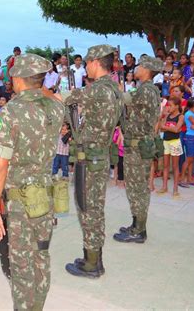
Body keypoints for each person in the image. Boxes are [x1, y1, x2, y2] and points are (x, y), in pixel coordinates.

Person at [0, 53, 64, 311]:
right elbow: (52, 97)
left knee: (21, 265)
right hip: (47, 194)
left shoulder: (11, 111)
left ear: (18, 78)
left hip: (20, 200)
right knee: (41, 255)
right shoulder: (56, 106)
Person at [63, 45, 123, 278]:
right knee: (94, 207)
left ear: (97, 62)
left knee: (88, 208)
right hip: (99, 156)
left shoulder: (97, 89)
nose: (85, 65)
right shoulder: (114, 88)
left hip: (89, 158)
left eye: (87, 62)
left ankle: (92, 264)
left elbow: (61, 98)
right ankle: (92, 257)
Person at [113, 56, 163, 243]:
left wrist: (117, 90)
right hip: (136, 146)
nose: (136, 68)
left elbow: (123, 99)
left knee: (137, 189)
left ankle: (139, 230)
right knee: (135, 188)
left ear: (148, 69)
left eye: (140, 66)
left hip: (138, 147)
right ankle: (136, 224)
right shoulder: (145, 89)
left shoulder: (147, 90)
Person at [158, 97, 184, 196]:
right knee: (165, 166)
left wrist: (166, 127)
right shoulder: (167, 116)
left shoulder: (180, 116)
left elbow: (177, 130)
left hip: (175, 142)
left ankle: (175, 189)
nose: (169, 107)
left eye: (171, 105)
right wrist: (169, 128)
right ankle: (164, 187)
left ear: (177, 106)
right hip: (166, 142)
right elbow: (161, 128)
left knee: (175, 166)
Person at [179, 97, 194, 187]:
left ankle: (189, 178)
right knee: (188, 159)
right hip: (191, 137)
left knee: (192, 159)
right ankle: (181, 179)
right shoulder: (189, 114)